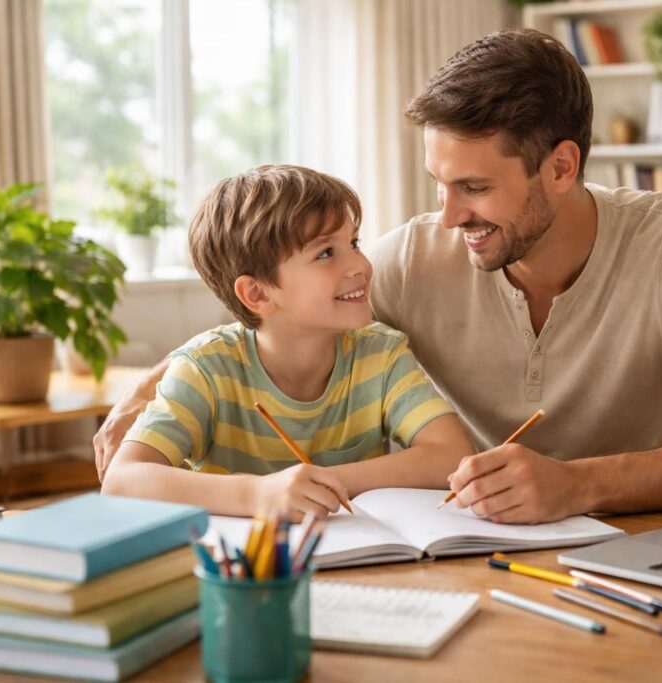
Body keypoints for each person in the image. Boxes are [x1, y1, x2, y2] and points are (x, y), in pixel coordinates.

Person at [97, 30, 662, 524]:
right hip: (479, 555)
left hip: (655, 547)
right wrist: (153, 383)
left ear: (561, 167)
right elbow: (282, 308)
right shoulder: (418, 257)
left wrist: (580, 483)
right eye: (439, 184)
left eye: (473, 187)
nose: (447, 216)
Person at [100, 165, 473, 520]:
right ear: (258, 293)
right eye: (325, 253)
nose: (360, 265)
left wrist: (324, 484)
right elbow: (122, 480)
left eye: (353, 243)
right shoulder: (207, 369)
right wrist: (258, 494)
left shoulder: (381, 354)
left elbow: (451, 456)